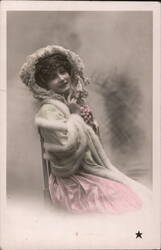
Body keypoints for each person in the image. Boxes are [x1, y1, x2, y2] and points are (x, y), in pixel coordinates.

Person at [20, 45, 151, 214]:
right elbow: (64, 156)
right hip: (69, 181)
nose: (61, 78)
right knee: (124, 202)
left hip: (88, 171)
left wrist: (89, 125)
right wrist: (76, 118)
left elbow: (92, 149)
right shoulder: (48, 111)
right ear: (45, 85)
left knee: (134, 195)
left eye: (63, 71)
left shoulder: (71, 103)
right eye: (53, 77)